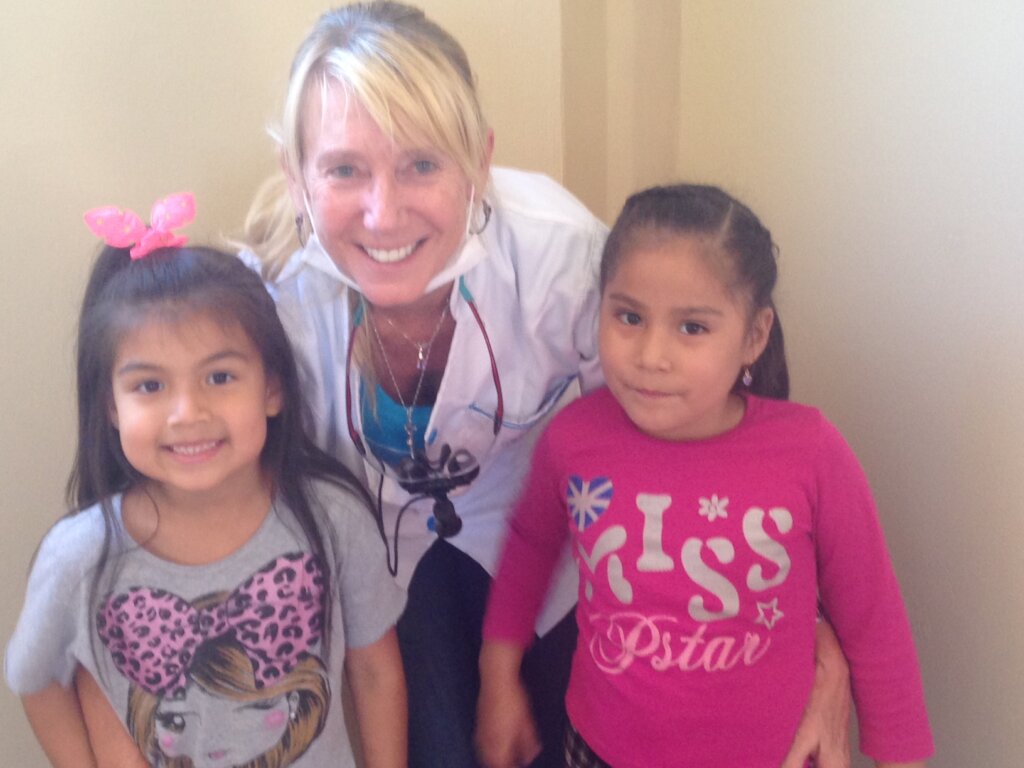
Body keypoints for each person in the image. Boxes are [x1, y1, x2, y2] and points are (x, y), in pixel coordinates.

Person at [236, 3, 856, 767]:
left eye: (422, 164)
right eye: (343, 169)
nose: (383, 211)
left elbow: (727, 431)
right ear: (296, 179)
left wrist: (819, 645)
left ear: (480, 161)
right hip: (395, 571)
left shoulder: (562, 258)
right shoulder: (267, 303)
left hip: (555, 548)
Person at [476, 183, 935, 768]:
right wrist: (498, 677)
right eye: (629, 316)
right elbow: (529, 550)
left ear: (754, 336)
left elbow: (875, 625)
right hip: (601, 750)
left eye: (692, 327)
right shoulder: (574, 439)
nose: (651, 355)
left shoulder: (810, 450)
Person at [5, 193, 407, 768]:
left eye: (220, 376)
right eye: (150, 386)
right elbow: (34, 679)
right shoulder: (78, 557)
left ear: (272, 388)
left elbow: (374, 671)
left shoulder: (333, 516)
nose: (187, 412)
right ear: (111, 407)